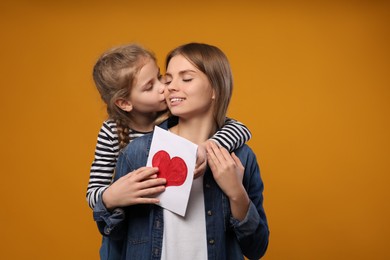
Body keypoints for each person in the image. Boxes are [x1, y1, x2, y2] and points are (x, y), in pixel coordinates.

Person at [93, 43, 269, 259]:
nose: (169, 87)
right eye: (168, 79)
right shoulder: (136, 152)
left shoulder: (241, 157)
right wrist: (109, 199)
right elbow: (114, 240)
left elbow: (256, 248)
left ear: (215, 88)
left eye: (186, 79)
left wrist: (236, 194)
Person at [86, 43, 252, 210]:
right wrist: (112, 196)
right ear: (125, 103)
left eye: (160, 77)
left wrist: (208, 147)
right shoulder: (113, 131)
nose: (165, 88)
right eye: (150, 87)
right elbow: (93, 193)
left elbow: (239, 128)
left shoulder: (175, 114)